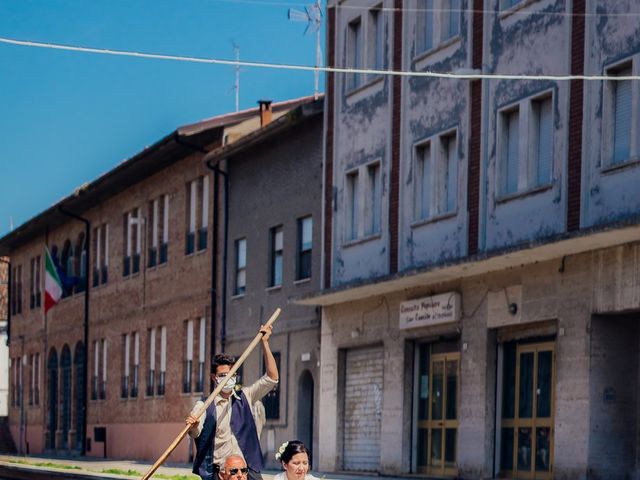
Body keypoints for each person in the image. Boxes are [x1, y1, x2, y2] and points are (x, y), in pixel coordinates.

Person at [186, 324, 278, 480]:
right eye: (223, 375)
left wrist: (265, 343)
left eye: (231, 375)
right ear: (214, 377)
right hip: (220, 472)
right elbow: (195, 432)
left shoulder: (246, 396)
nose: (228, 379)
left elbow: (271, 378)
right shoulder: (204, 405)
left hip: (247, 469)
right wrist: (193, 425)